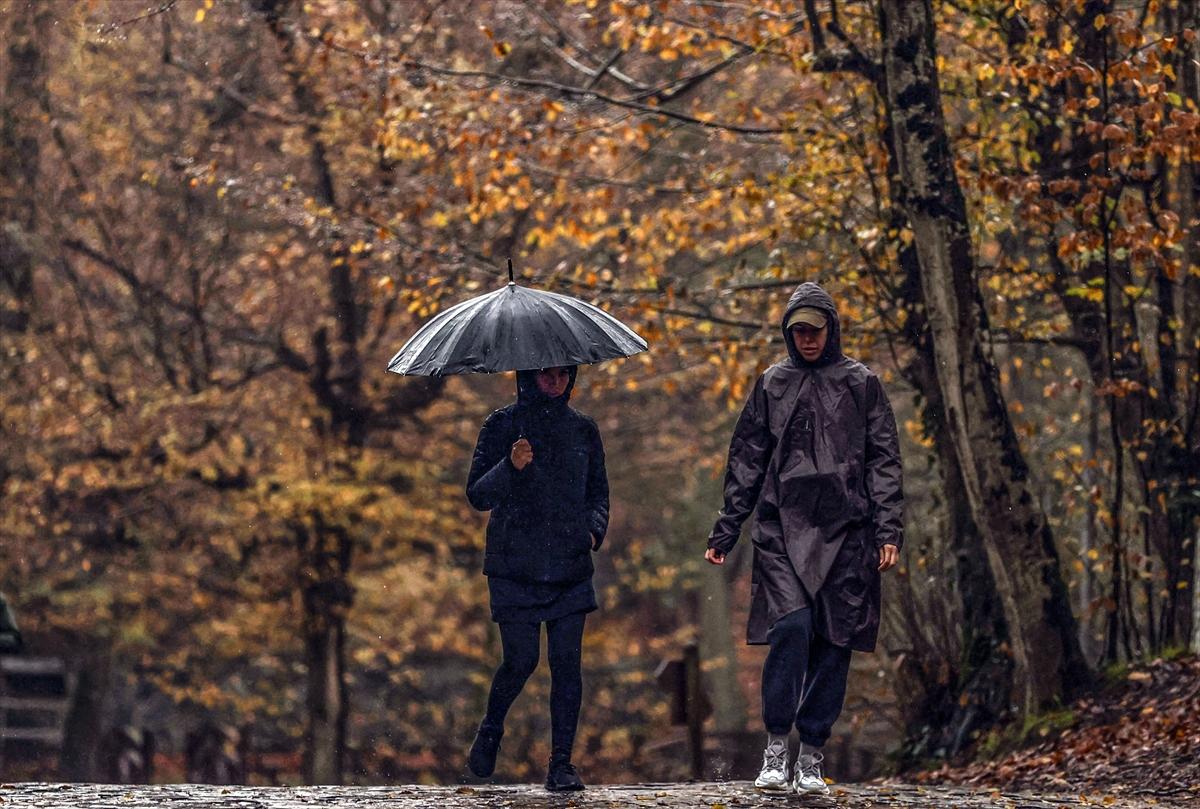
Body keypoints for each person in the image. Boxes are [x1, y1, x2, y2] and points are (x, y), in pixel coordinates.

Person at [704, 282, 902, 794]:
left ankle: (811, 754)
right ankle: (775, 747)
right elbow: (746, 459)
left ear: (831, 329)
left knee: (836, 640)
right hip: (780, 527)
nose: (808, 339)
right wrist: (727, 529)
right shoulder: (772, 384)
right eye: (798, 331)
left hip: (849, 530)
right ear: (788, 334)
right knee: (789, 629)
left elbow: (883, 459)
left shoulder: (861, 383)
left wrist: (888, 529)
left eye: (815, 330)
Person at [464, 365, 609, 792]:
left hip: (569, 563)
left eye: (564, 375)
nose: (556, 383)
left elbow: (599, 491)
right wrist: (510, 465)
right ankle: (492, 727)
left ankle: (562, 764)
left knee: (567, 665)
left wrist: (592, 530)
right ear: (529, 375)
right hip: (514, 565)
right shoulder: (502, 425)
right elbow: (478, 495)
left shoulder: (584, 429)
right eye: (547, 375)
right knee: (521, 660)